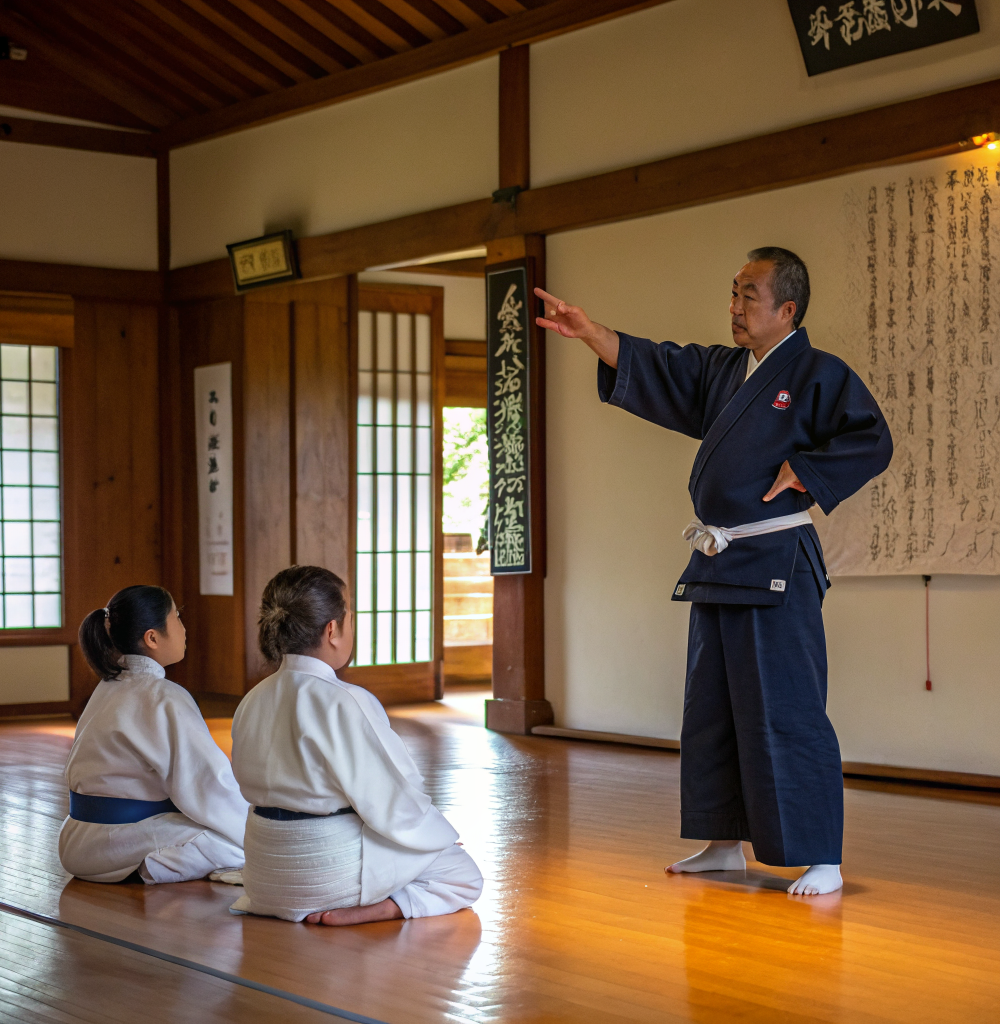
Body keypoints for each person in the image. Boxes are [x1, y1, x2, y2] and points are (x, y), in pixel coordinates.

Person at [534, 247, 893, 896]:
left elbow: (872, 437)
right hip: (718, 556)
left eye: (748, 295)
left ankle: (821, 855)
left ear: (787, 309)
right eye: (733, 293)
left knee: (788, 708)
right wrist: (592, 334)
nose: (734, 305)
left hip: (777, 557)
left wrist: (809, 472)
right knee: (713, 707)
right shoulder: (725, 371)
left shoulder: (816, 373)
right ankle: (723, 843)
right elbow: (659, 365)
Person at [229, 565, 483, 925]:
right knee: (463, 875)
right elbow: (393, 797)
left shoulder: (251, 699)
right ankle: (373, 909)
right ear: (332, 630)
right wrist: (430, 839)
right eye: (348, 618)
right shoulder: (345, 699)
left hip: (264, 874)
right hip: (324, 873)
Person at [59, 586, 248, 884]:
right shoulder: (163, 696)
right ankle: (151, 864)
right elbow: (209, 784)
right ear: (152, 637)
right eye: (177, 618)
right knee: (242, 848)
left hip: (75, 842)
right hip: (116, 842)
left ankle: (150, 861)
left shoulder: (107, 687)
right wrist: (258, 830)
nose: (184, 629)